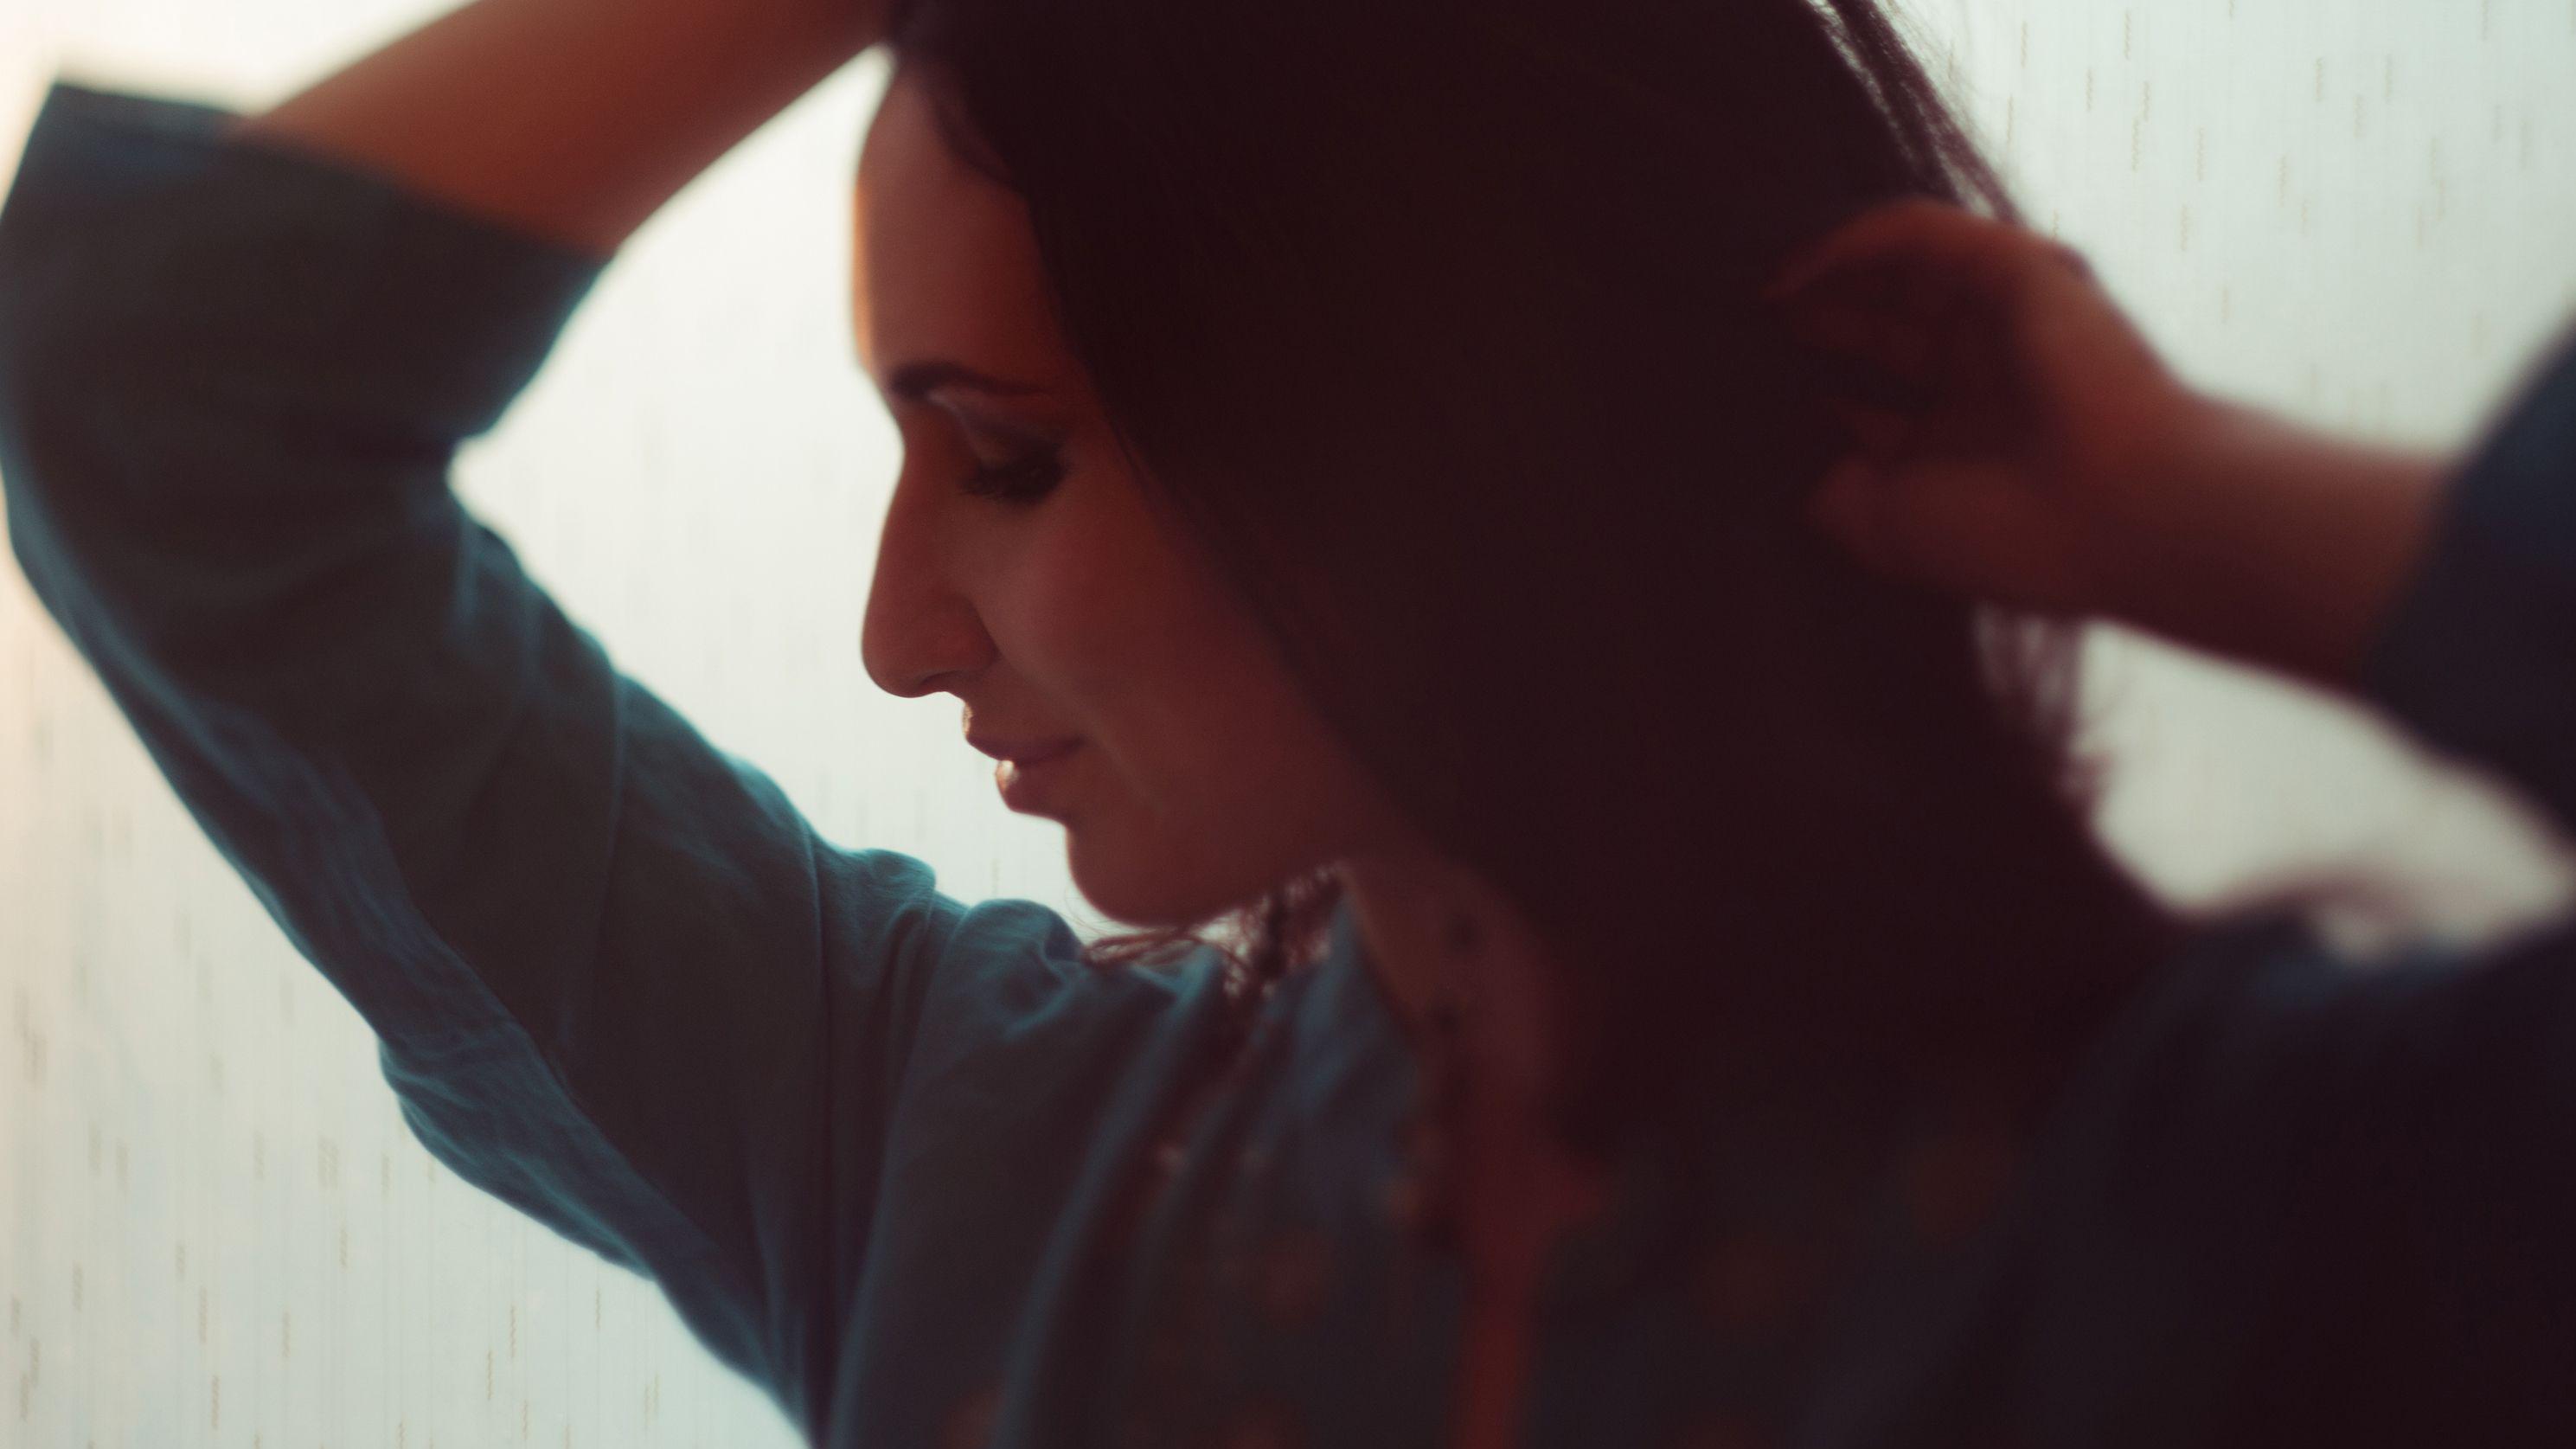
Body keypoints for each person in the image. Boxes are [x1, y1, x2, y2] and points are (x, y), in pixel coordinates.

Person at [0, 0, 2566, 1443]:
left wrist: (2186, 504)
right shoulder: (936, 1139)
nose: (900, 628)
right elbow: (148, 406)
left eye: (998, 458)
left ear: (1427, 422)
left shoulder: (2259, 1204)